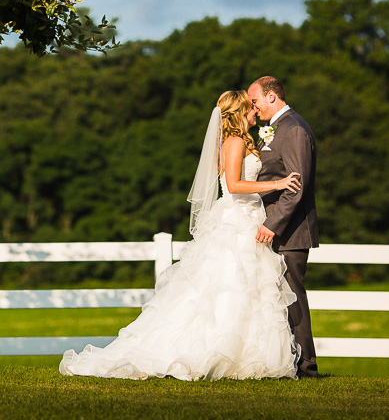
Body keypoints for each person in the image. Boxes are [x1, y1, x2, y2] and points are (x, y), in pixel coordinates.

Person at [59, 90, 302, 380]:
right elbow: (235, 186)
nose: (254, 111)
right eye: (249, 108)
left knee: (247, 287)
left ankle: (246, 357)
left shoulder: (237, 141)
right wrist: (277, 184)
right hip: (237, 220)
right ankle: (220, 352)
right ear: (238, 113)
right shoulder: (235, 141)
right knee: (230, 285)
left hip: (247, 218)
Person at [248, 76, 319, 378]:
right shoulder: (278, 128)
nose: (253, 107)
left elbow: (296, 186)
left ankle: (307, 368)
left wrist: (272, 224)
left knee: (293, 298)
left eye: (255, 101)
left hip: (289, 232)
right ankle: (286, 362)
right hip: (277, 229)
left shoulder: (293, 130)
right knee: (277, 297)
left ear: (272, 96)